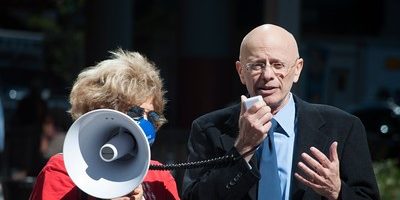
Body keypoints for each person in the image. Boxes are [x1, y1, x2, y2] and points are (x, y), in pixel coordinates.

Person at [182, 24, 380, 200]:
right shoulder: (208, 129)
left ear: (297, 70)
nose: (268, 75)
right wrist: (242, 149)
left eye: (278, 65)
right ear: (241, 72)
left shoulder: (343, 127)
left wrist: (337, 192)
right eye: (257, 65)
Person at [30, 49, 180, 200]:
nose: (145, 123)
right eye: (135, 113)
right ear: (102, 112)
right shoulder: (63, 170)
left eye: (152, 116)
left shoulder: (159, 177)